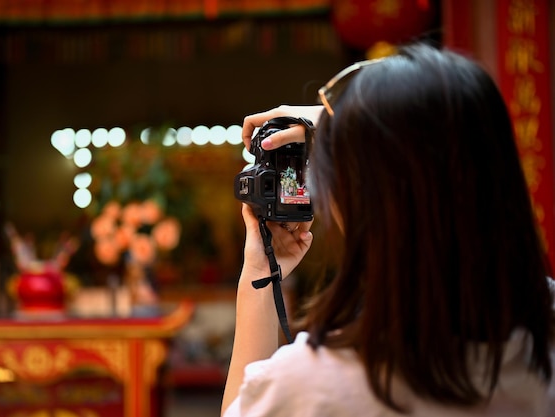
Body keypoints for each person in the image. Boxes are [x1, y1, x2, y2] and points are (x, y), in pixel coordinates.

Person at [221, 42, 555, 416]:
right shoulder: (541, 342)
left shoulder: (314, 385)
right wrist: (350, 127)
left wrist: (259, 273)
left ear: (363, 202)